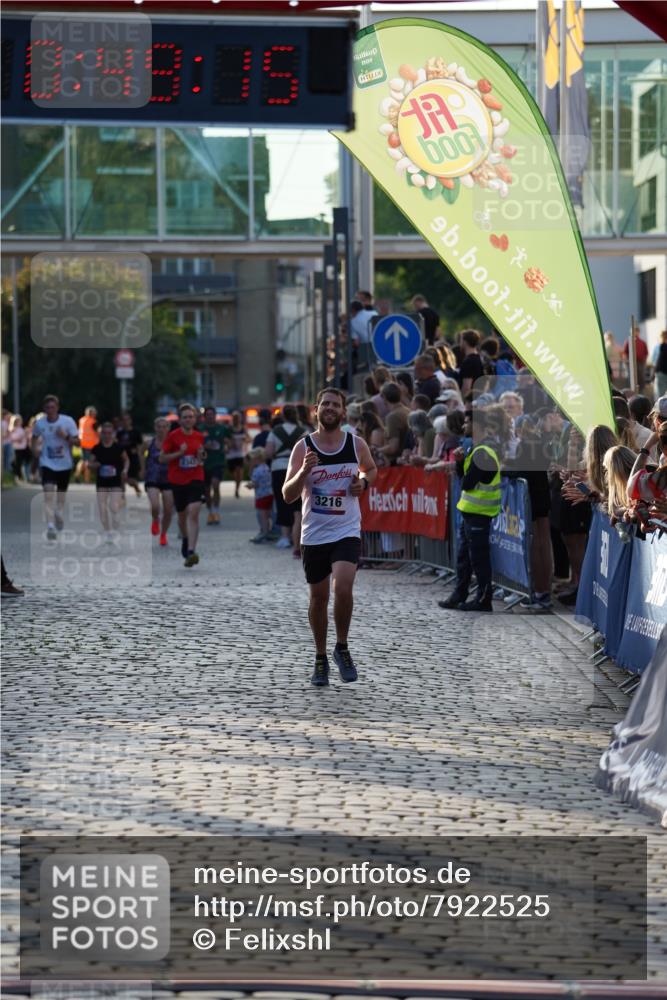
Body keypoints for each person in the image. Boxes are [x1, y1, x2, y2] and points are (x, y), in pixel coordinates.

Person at [282, 387, 377, 686]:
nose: (331, 408)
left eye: (336, 404)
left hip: (346, 530)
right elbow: (287, 494)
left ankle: (343, 647)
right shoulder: (303, 447)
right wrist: (303, 472)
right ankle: (320, 657)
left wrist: (363, 482)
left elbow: (371, 469)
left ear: (344, 411)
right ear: (316, 410)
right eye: (326, 404)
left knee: (344, 586)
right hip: (314, 534)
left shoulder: (355, 444)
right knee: (318, 598)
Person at [438, 406, 507, 612]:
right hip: (470, 513)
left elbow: (467, 483)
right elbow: (464, 478)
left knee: (478, 559)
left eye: (467, 422)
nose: (464, 425)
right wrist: (460, 463)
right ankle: (459, 594)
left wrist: (461, 465)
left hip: (480, 515)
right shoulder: (476, 449)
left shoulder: (483, 452)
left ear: (477, 425)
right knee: (464, 558)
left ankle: (483, 599)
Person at [160, 403, 206, 568]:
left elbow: (201, 459)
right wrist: (179, 453)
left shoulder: (199, 436)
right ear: (180, 420)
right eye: (185, 417)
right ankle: (186, 539)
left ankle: (191, 551)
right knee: (182, 516)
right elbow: (162, 458)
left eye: (191, 417)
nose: (188, 419)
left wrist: (201, 455)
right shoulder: (173, 436)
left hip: (196, 478)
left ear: (195, 419)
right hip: (178, 480)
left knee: (193, 513)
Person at [31, 395, 79, 540]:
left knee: (61, 497)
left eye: (53, 407)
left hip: (64, 464)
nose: (50, 410)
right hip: (47, 463)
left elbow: (78, 443)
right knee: (48, 494)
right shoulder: (40, 423)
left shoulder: (68, 421)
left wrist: (65, 436)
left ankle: (58, 513)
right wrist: (35, 450)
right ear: (44, 409)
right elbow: (33, 438)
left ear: (57, 407)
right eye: (48, 408)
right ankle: (50, 526)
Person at [265, 404, 304, 553]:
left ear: (283, 416)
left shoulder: (275, 431)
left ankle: (285, 536)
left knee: (282, 502)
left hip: (279, 468)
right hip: (298, 468)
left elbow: (268, 452)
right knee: (298, 505)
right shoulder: (303, 431)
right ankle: (298, 536)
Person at [88, 421, 128, 544]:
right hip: (102, 481)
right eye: (104, 433)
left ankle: (116, 519)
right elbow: (90, 464)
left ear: (113, 434)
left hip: (115, 481)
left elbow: (126, 460)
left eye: (109, 433)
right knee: (102, 507)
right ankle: (108, 531)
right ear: (101, 434)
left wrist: (125, 470)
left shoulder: (118, 447)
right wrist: (95, 465)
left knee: (113, 506)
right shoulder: (97, 448)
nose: (107, 435)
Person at [144, 417, 174, 546]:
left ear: (168, 428)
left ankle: (163, 534)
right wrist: (142, 468)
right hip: (152, 477)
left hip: (169, 478)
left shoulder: (173, 443)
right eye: (159, 427)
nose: (161, 429)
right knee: (155, 505)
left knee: (168, 510)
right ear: (155, 428)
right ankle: (155, 519)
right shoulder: (149, 443)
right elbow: (140, 453)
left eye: (164, 427)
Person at [199, 406, 230, 525]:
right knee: (206, 490)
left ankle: (216, 511)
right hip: (205, 463)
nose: (210, 416)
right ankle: (210, 512)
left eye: (212, 414)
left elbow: (229, 441)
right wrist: (204, 447)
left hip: (218, 461)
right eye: (208, 414)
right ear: (204, 416)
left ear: (215, 415)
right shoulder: (200, 429)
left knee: (215, 484)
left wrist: (227, 446)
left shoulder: (221, 428)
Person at [377, 382, 410, 464]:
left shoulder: (392, 417)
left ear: (384, 398)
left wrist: (375, 451)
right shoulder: (407, 411)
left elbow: (393, 447)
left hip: (396, 465)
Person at [245, 446, 274, 543]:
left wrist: (249, 485)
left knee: (262, 516)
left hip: (261, 496)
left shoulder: (257, 470)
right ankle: (269, 531)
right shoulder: (266, 467)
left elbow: (254, 483)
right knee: (268, 514)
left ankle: (264, 533)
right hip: (269, 494)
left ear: (256, 459)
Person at [116, 412, 144, 496]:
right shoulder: (119, 433)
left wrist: (141, 465)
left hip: (133, 459)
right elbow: (116, 445)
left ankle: (136, 486)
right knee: (122, 477)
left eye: (127, 420)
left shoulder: (136, 432)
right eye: (123, 420)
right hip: (122, 459)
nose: (125, 422)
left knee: (130, 481)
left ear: (130, 421)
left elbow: (140, 448)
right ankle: (122, 497)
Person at [226, 410, 248, 499]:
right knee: (234, 473)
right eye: (235, 418)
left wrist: (244, 441)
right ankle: (236, 484)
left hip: (240, 454)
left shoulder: (243, 428)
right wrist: (230, 443)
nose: (237, 420)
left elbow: (249, 438)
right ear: (233, 419)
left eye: (238, 418)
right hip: (231, 454)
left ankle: (237, 490)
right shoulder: (229, 429)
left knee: (240, 472)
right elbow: (225, 439)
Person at [458, 329, 485, 397]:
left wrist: (462, 401)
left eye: (461, 340)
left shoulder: (468, 362)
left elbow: (467, 387)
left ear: (465, 342)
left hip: (470, 401)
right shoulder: (479, 358)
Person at [622, 326, 649, 392]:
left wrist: (644, 362)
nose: (634, 333)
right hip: (631, 363)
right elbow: (625, 353)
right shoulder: (628, 342)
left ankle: (641, 393)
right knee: (632, 379)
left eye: (635, 331)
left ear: (638, 332)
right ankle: (633, 393)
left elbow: (646, 353)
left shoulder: (642, 342)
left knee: (640, 379)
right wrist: (627, 363)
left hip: (640, 363)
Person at [77, 406, 99, 483]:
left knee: (82, 460)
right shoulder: (93, 422)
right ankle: (87, 480)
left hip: (82, 443)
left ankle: (77, 475)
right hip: (90, 444)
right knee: (88, 462)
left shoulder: (81, 420)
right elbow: (98, 432)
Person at [9, 415, 30, 481]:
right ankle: (17, 476)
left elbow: (24, 437)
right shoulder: (12, 429)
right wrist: (19, 439)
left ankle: (20, 475)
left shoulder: (21, 428)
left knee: (22, 462)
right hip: (16, 448)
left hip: (23, 447)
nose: (19, 422)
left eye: (20, 421)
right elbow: (11, 438)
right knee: (17, 463)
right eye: (18, 421)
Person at [652, 331, 667, 399]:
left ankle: (660, 408)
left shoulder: (659, 346)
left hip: (660, 371)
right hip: (662, 371)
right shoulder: (661, 346)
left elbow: (654, 360)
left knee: (660, 394)